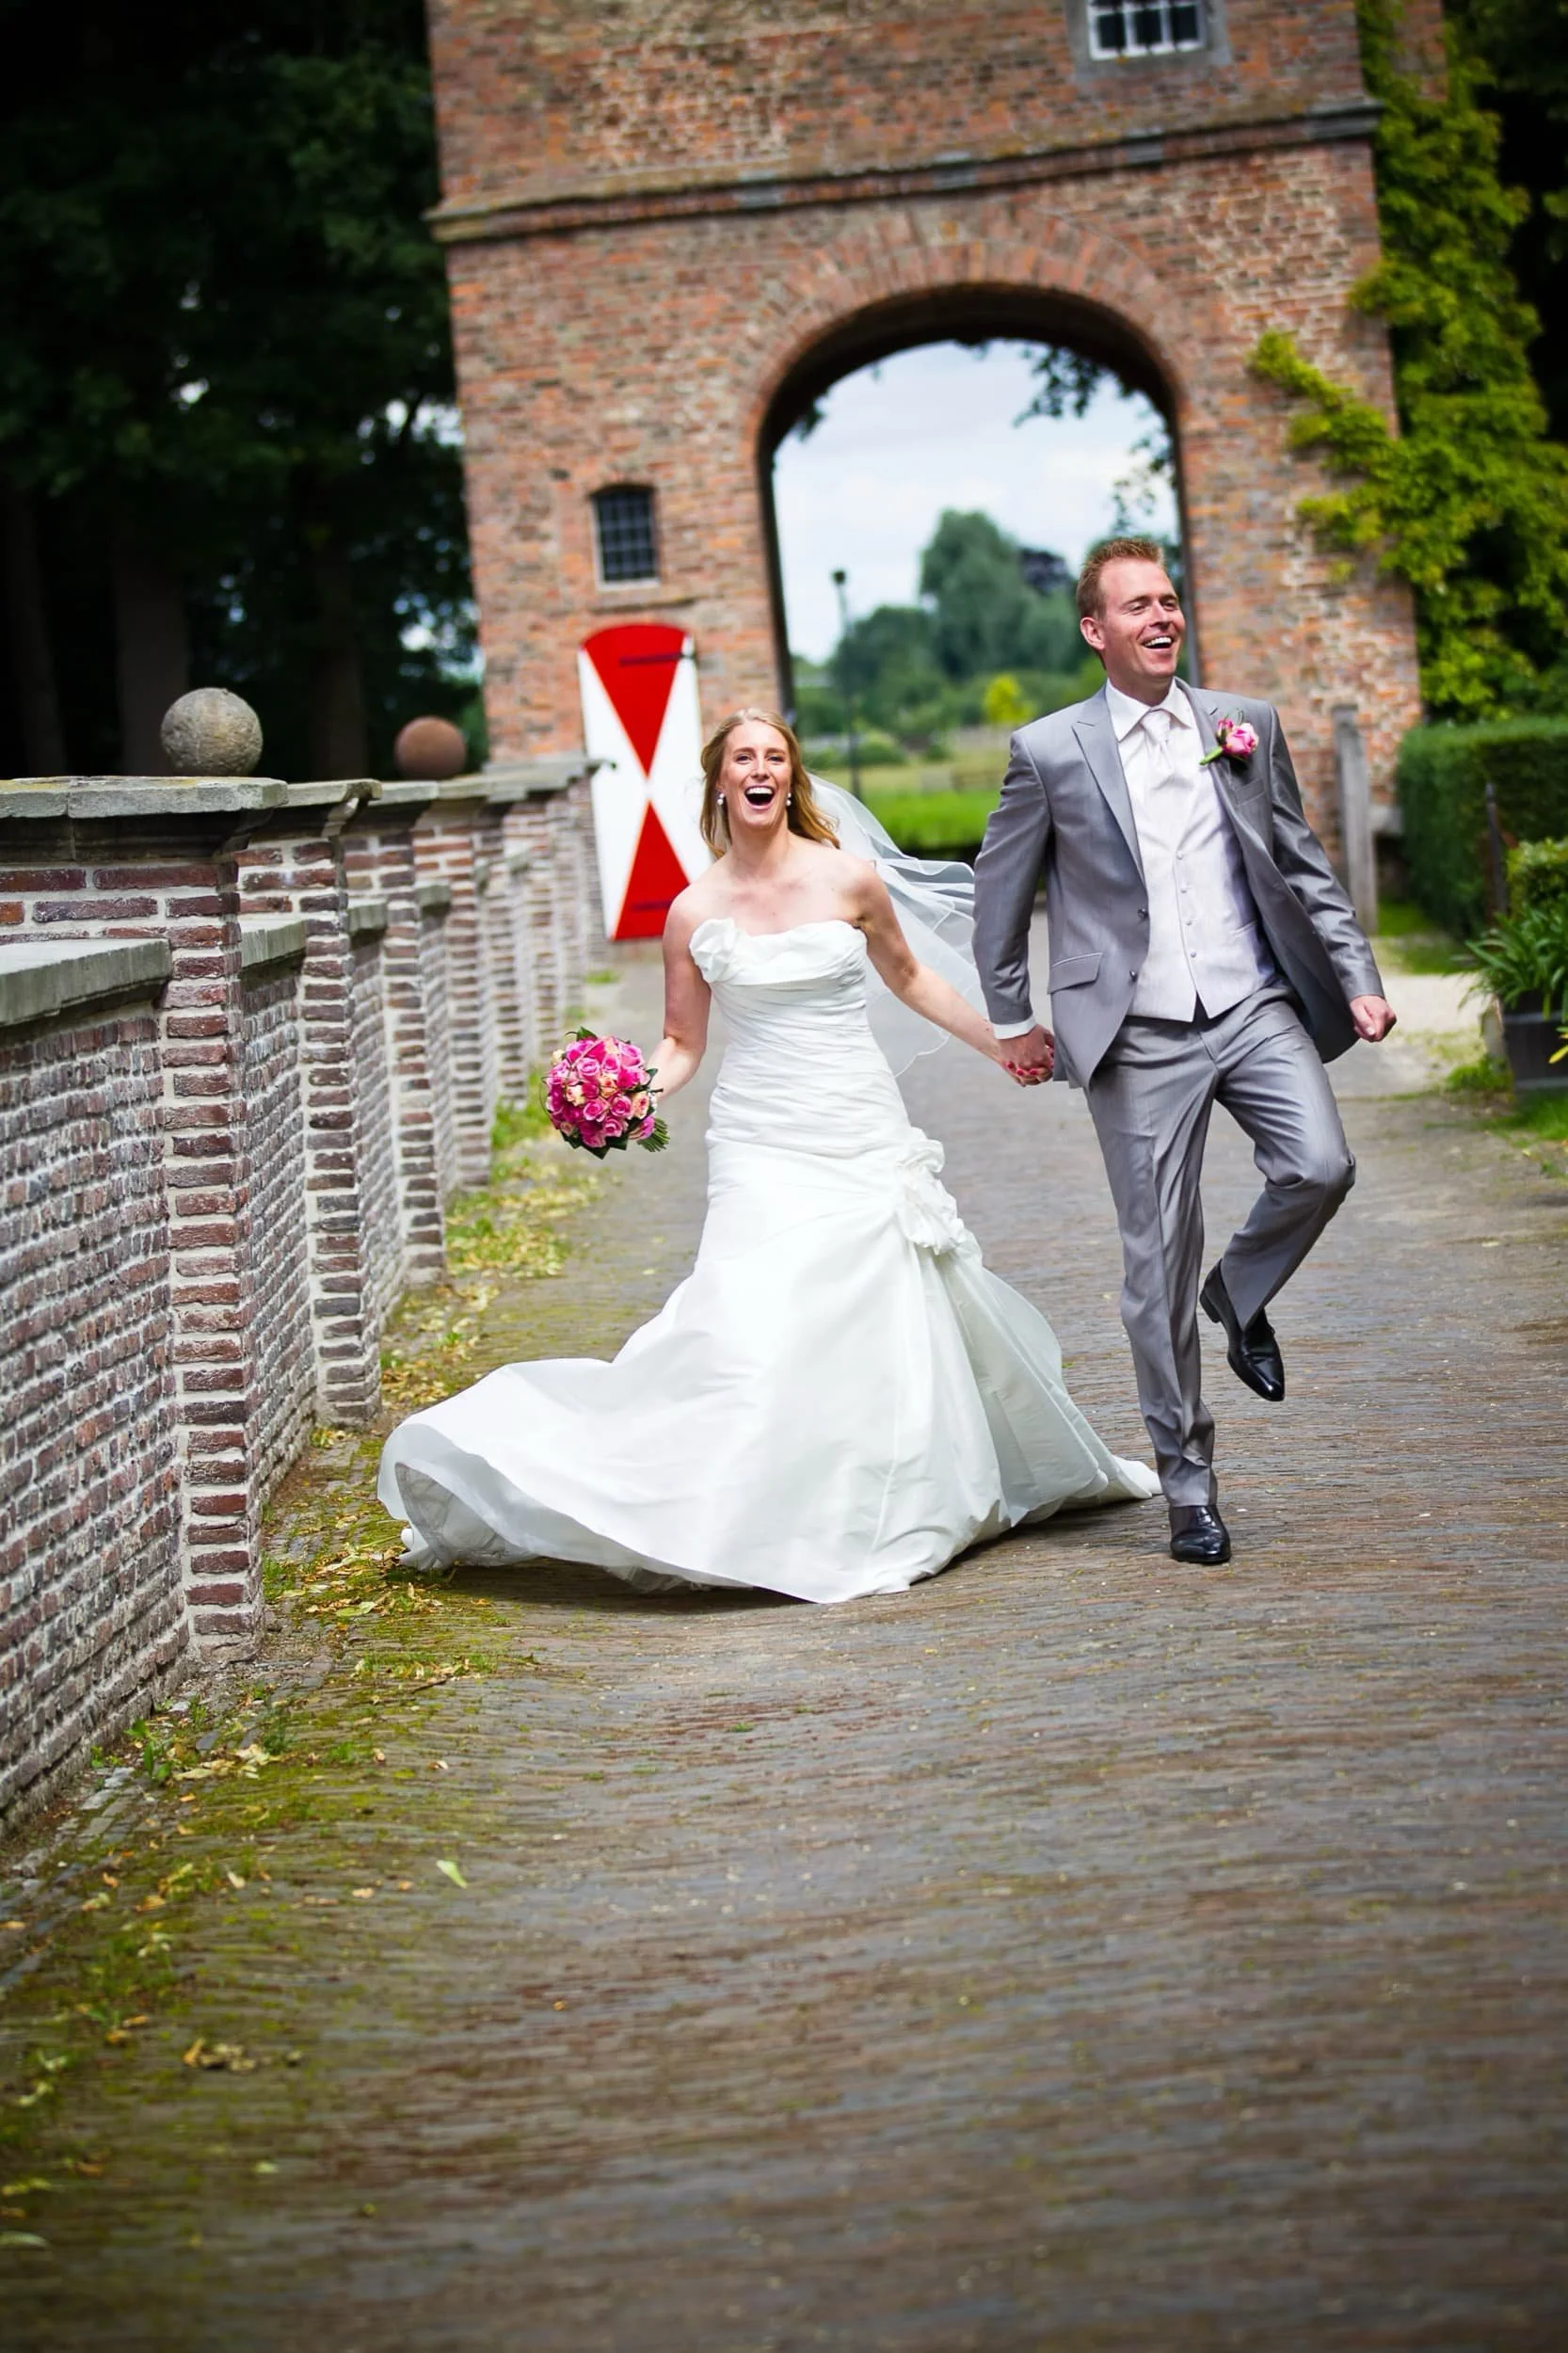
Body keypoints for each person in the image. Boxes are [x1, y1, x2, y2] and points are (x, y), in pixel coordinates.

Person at [377, 709, 1157, 1603]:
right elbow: (680, 1043)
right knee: (750, 1311)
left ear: (792, 778)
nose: (759, 771)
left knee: (874, 1301)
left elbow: (910, 977)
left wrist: (1003, 1042)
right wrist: (627, 1092)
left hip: (853, 1116)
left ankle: (884, 1491)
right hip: (758, 1134)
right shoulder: (692, 910)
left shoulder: (849, 879)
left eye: (774, 758)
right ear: (720, 781)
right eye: (743, 758)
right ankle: (738, 1500)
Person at [972, 537, 1397, 1568]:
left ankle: (1238, 1289)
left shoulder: (1241, 725)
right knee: (1153, 1264)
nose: (1161, 618)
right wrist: (1012, 1017)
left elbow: (1299, 858)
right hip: (1135, 1034)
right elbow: (999, 888)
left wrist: (1357, 972)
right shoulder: (1051, 751)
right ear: (1095, 630)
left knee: (1320, 1165)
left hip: (1251, 1002)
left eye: (1169, 601)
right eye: (1137, 606)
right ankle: (1189, 1489)